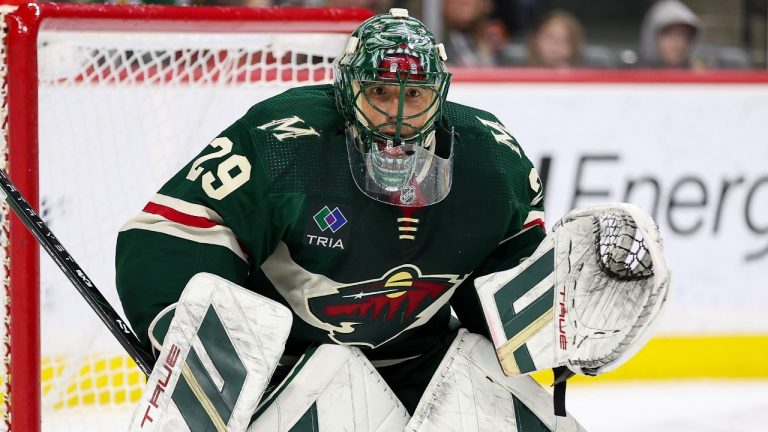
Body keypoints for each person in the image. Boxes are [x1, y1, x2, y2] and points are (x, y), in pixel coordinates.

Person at [116, 8, 581, 430]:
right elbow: (175, 231)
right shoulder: (284, 139)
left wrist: (568, 321)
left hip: (424, 363)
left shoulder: (491, 159)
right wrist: (186, 331)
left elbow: (507, 288)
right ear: (346, 88)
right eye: (379, 91)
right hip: (292, 368)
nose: (398, 114)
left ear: (439, 96)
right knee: (330, 377)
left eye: (414, 94)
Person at [638, 0, 704, 69]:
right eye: (670, 34)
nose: (677, 42)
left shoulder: (700, 72)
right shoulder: (636, 73)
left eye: (684, 35)